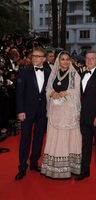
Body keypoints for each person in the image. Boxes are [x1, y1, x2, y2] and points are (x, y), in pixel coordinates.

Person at [40, 51, 82, 179]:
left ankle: (69, 167)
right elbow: (48, 89)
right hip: (55, 111)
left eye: (67, 59)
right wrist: (52, 94)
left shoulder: (75, 74)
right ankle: (52, 168)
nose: (65, 62)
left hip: (68, 112)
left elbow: (77, 92)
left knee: (67, 137)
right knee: (55, 136)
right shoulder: (53, 74)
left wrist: (65, 93)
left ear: (70, 60)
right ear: (59, 60)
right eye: (62, 59)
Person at [15, 47, 50, 180]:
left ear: (44, 59)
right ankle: (22, 166)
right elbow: (19, 93)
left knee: (39, 138)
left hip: (42, 112)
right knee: (25, 139)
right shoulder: (24, 72)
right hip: (27, 111)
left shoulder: (48, 72)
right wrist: (20, 111)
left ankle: (34, 162)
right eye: (33, 55)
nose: (34, 58)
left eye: (38, 56)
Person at [76, 51, 96, 183]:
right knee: (85, 145)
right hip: (84, 117)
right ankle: (85, 171)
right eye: (87, 58)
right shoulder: (83, 74)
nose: (90, 61)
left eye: (92, 58)